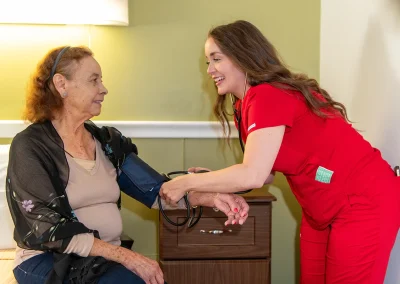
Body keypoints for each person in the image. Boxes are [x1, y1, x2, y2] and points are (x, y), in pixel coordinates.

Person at [160, 20, 400, 284]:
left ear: (242, 56)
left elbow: (252, 175)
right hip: (319, 210)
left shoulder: (267, 96)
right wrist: (214, 178)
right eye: (207, 61)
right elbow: (263, 175)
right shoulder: (245, 105)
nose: (210, 70)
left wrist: (187, 183)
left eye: (216, 59)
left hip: (364, 201)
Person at [6, 45, 250, 284]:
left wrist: (211, 197)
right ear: (62, 85)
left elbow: (155, 191)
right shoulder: (31, 147)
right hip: (48, 260)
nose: (104, 89)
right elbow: (47, 229)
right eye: (94, 80)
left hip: (102, 260)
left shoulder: (107, 143)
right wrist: (127, 257)